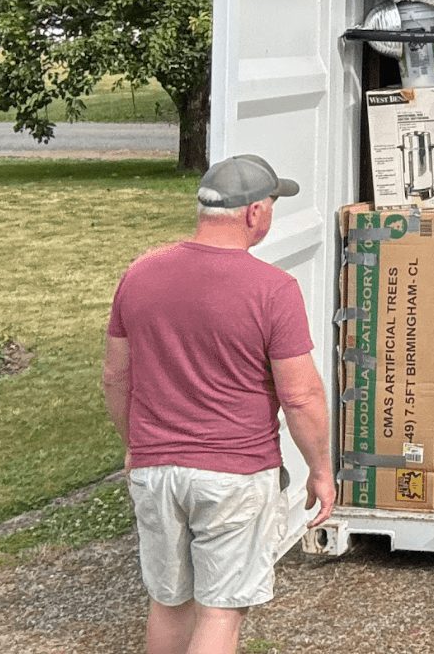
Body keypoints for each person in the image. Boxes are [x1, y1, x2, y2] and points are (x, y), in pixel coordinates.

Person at [101, 154, 334, 654]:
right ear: (254, 213)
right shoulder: (272, 289)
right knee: (220, 610)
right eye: (272, 203)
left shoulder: (139, 275)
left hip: (156, 468)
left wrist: (135, 446)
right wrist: (320, 469)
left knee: (169, 602)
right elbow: (300, 395)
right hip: (234, 473)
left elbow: (115, 376)